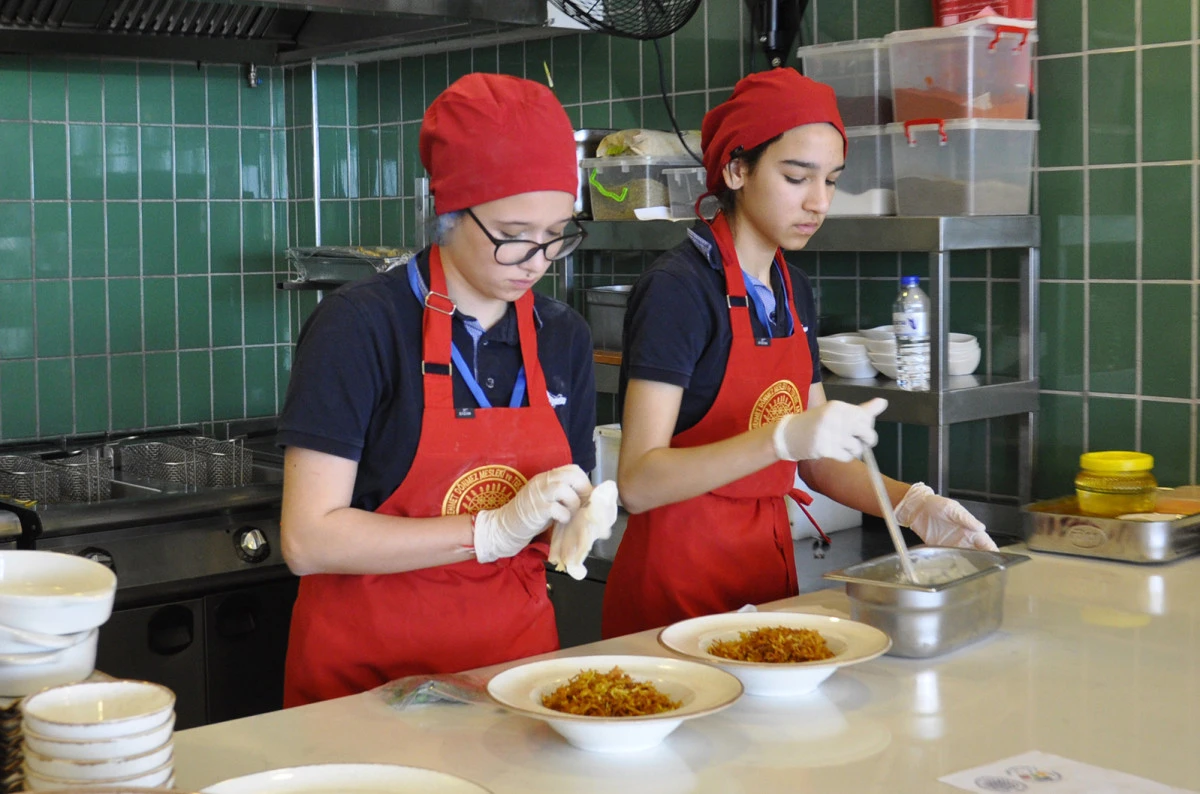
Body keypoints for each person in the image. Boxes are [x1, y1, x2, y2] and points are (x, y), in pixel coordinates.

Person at [600, 68, 997, 639]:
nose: (819, 202)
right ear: (736, 169)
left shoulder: (792, 289)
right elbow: (638, 482)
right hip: (677, 588)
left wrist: (912, 506)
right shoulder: (678, 291)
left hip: (765, 577)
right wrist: (778, 440)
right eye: (796, 177)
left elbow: (815, 461)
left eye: (831, 180)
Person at [278, 72, 609, 706]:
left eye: (557, 234)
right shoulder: (359, 326)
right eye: (514, 234)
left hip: (514, 678)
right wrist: (488, 532)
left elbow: (559, 502)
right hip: (366, 688)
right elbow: (307, 540)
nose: (537, 260)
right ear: (449, 211)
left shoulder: (562, 335)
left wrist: (578, 516)